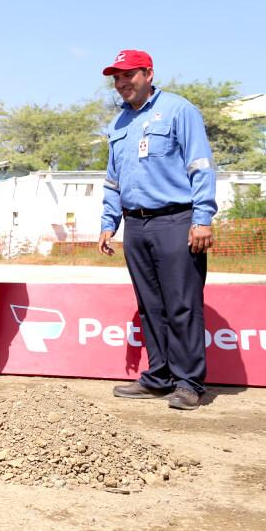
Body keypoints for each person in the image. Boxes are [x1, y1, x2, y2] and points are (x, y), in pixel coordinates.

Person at [98, 50, 217, 411]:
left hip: (176, 221)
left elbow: (201, 165)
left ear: (148, 73)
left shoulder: (180, 111)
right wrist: (108, 222)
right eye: (116, 78)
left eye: (128, 75)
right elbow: (112, 180)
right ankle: (159, 376)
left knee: (182, 305)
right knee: (151, 306)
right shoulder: (118, 124)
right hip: (136, 223)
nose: (121, 83)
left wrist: (203, 218)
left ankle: (188, 382)